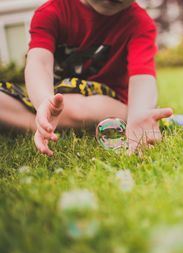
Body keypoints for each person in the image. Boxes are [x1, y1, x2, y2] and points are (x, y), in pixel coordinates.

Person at [0, 0, 173, 156]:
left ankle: (36, 121)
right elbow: (39, 63)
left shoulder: (139, 23)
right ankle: (44, 120)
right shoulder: (50, 12)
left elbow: (142, 77)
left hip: (105, 102)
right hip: (55, 98)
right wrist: (43, 101)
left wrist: (139, 114)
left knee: (76, 108)